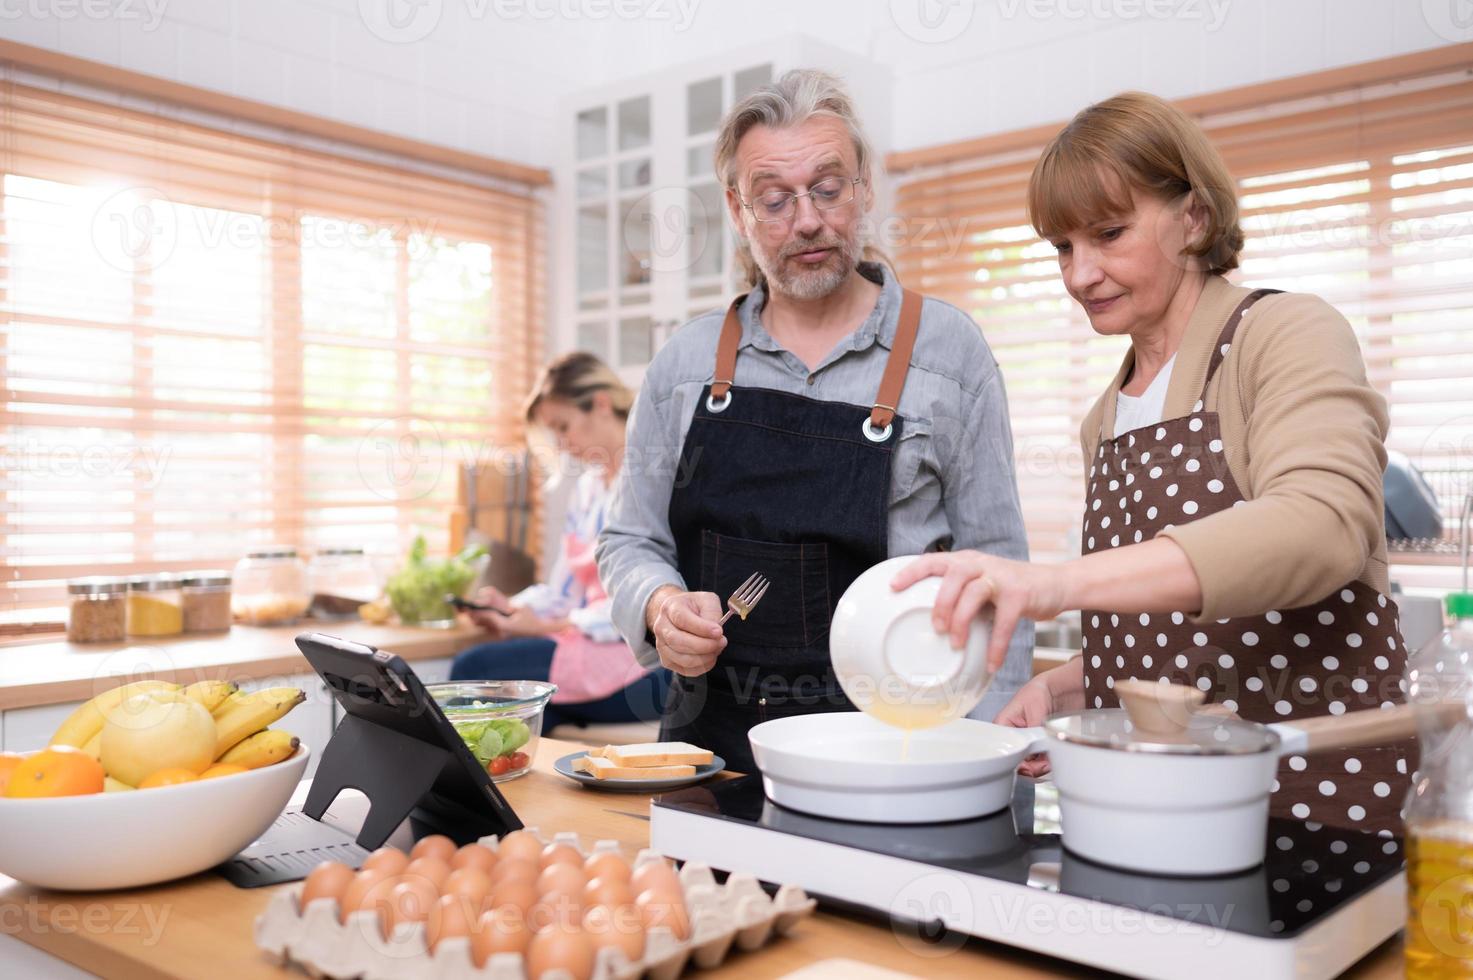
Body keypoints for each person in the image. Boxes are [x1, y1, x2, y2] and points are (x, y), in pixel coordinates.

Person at [893, 92, 1412, 833]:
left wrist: (1056, 584)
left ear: (1193, 217)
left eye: (1108, 234)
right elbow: (1172, 640)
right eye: (1062, 248)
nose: (1078, 274)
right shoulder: (1104, 419)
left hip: (1307, 800)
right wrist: (1070, 686)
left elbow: (1322, 527)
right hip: (1157, 812)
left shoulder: (1283, 333)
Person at [596, 69, 1033, 772]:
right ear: (738, 213)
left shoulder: (949, 354)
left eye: (828, 189)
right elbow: (628, 540)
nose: (806, 220)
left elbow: (998, 571)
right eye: (774, 200)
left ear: (862, 191)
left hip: (898, 751)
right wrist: (658, 605)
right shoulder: (683, 365)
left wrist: (992, 760)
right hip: (710, 753)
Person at [451, 353, 669, 733]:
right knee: (515, 720)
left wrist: (547, 626)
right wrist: (512, 609)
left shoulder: (654, 480)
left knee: (474, 671)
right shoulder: (587, 490)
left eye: (563, 426)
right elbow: (565, 593)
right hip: (591, 650)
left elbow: (650, 604)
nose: (562, 444)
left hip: (645, 663)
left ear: (601, 403)